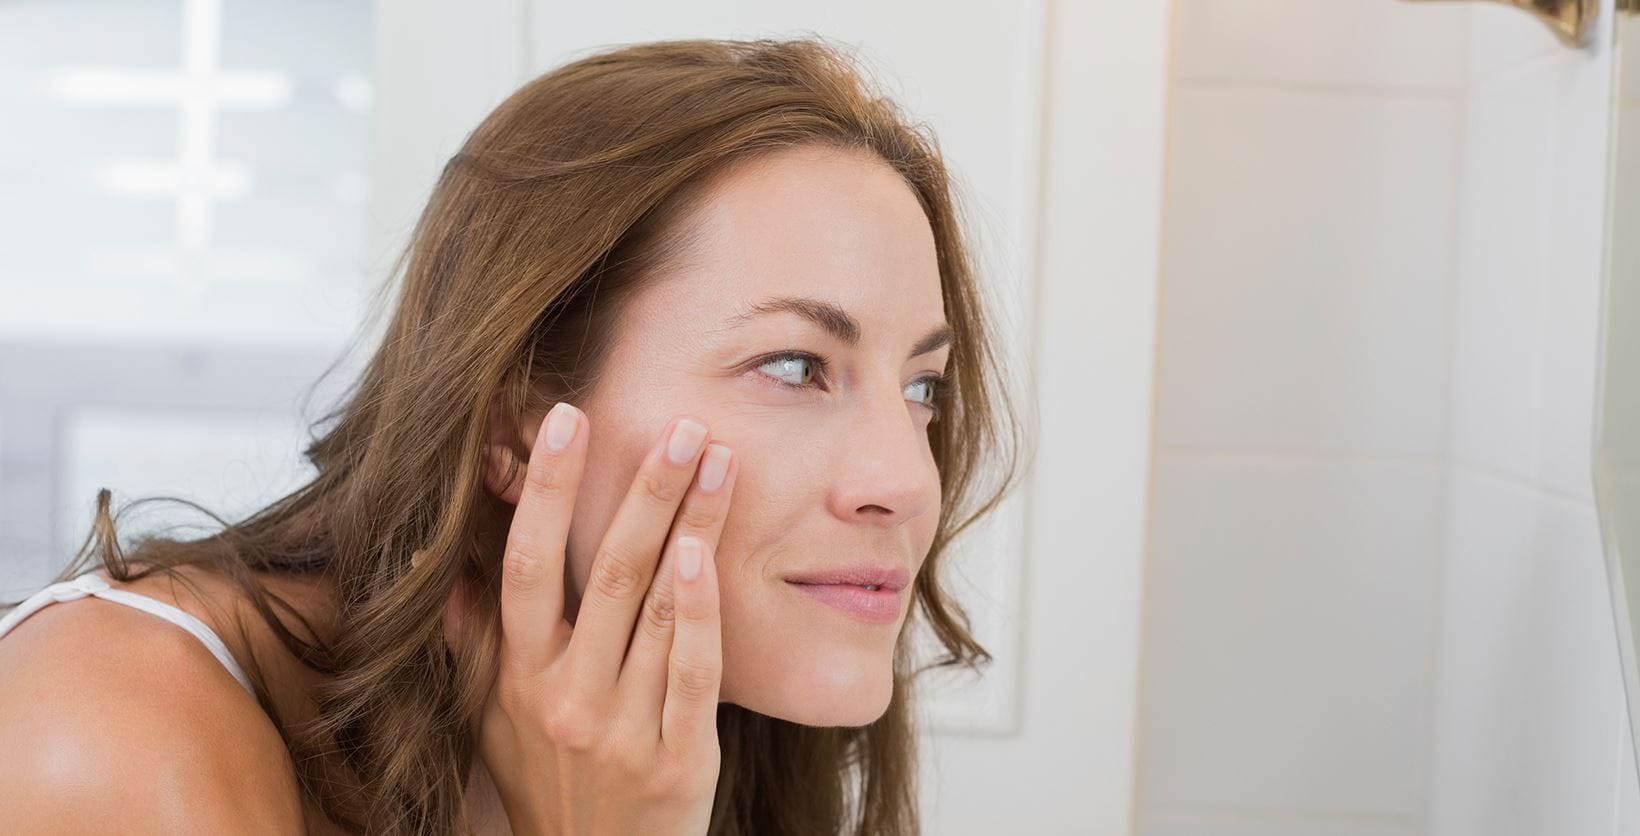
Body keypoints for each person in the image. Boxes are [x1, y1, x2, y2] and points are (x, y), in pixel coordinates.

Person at [0, 35, 1028, 834]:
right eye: (796, 367)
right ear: (516, 418)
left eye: (922, 387)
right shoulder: (111, 727)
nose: (902, 479)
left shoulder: (694, 739)